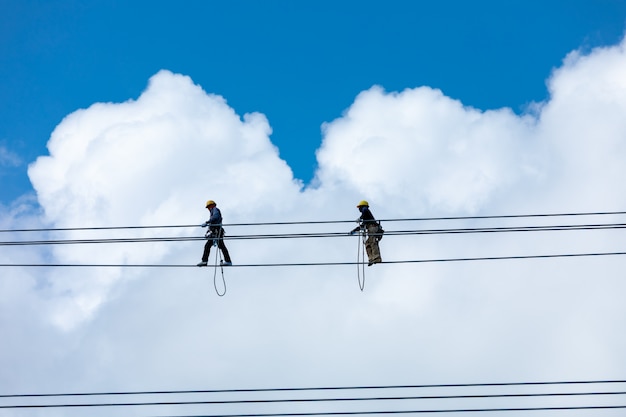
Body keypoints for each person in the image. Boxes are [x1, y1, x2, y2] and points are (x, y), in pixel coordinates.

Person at [197, 200, 233, 267]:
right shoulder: (212, 212)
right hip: (214, 232)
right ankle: (227, 261)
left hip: (217, 232)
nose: (208, 208)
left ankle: (205, 261)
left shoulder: (215, 210)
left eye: (209, 206)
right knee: (217, 246)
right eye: (208, 207)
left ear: (212, 205)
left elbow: (215, 217)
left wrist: (207, 222)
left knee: (212, 246)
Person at [350, 200, 382, 266]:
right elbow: (362, 226)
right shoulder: (366, 218)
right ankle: (371, 258)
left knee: (372, 241)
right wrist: (353, 231)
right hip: (370, 229)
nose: (359, 209)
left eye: (360, 207)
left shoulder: (365, 210)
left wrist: (360, 218)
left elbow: (364, 210)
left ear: (362, 207)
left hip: (373, 227)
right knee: (367, 243)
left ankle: (377, 258)